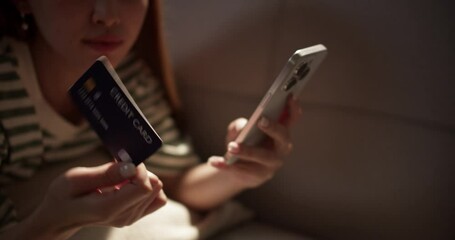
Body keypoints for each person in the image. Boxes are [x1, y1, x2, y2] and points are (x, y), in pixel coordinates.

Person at [0, 0, 302, 239]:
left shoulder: (129, 78)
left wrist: (239, 169)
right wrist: (53, 223)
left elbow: (178, 181)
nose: (107, 15)